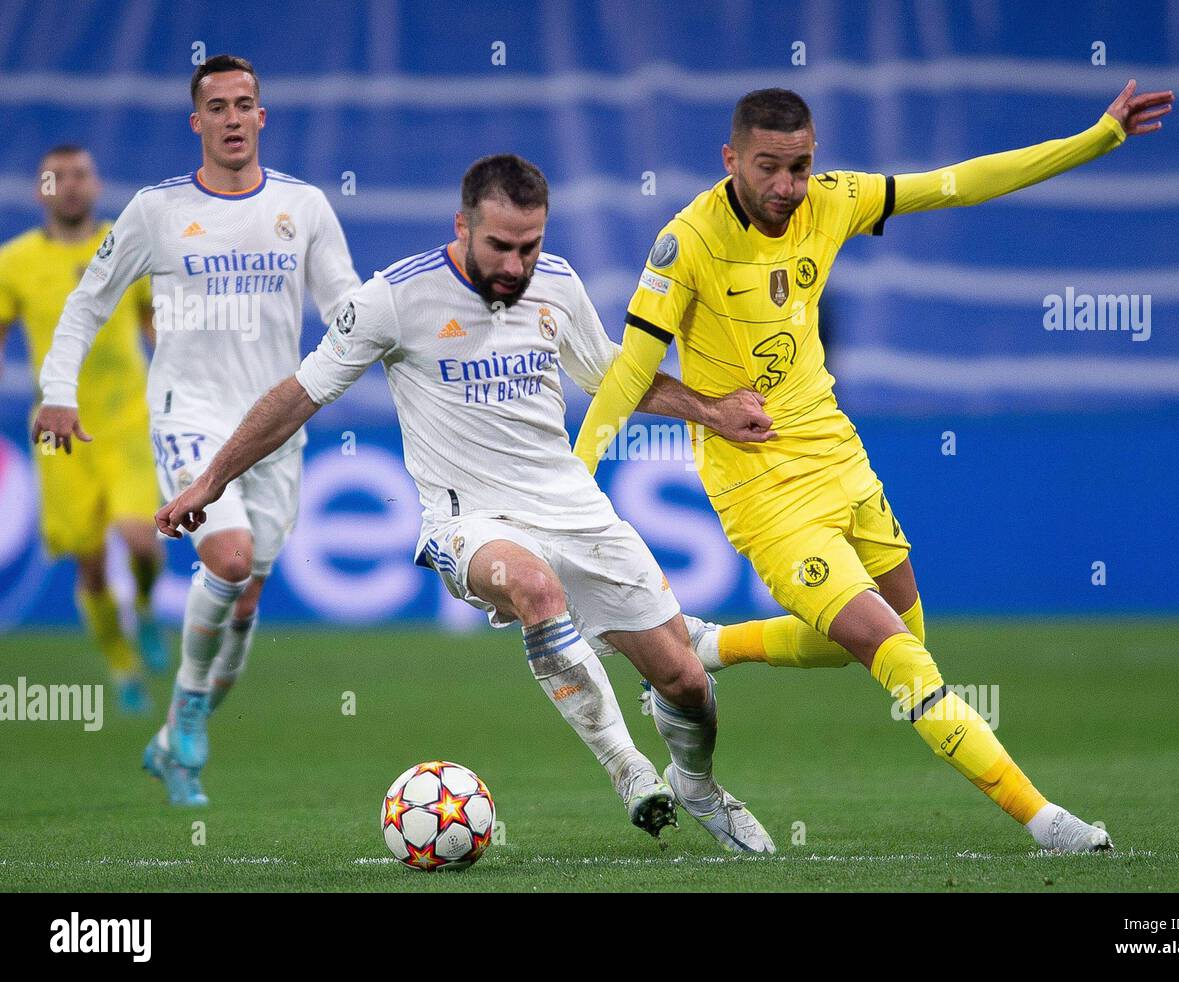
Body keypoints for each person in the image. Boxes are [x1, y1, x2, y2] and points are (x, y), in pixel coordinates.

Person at [574, 82, 1175, 853]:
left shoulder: (834, 200)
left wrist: (1099, 138)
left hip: (842, 458)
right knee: (900, 658)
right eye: (769, 168)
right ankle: (1045, 820)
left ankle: (712, 644)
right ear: (730, 160)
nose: (788, 187)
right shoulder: (687, 241)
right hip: (763, 490)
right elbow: (627, 371)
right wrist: (580, 472)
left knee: (895, 631)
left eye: (800, 166)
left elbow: (960, 183)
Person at [155, 154, 776, 853]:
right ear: (463, 225)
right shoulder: (394, 298)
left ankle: (697, 786)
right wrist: (211, 480)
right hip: (468, 520)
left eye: (530, 246)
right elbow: (300, 394)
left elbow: (613, 373)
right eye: (501, 246)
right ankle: (629, 769)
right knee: (534, 588)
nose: (516, 264)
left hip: (574, 507)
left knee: (687, 684)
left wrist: (711, 410)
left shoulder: (560, 286)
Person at [32, 55, 362, 806]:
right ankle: (184, 711)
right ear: (197, 122)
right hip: (191, 412)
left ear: (262, 116)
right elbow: (88, 303)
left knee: (243, 606)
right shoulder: (155, 211)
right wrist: (57, 391)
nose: (234, 118)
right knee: (231, 557)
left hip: (276, 424)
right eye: (218, 107)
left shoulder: (305, 207)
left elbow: (347, 308)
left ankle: (172, 743)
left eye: (246, 104)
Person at [0, 144, 168, 714]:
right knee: (91, 563)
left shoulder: (125, 246)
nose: (69, 186)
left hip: (127, 419)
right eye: (56, 177)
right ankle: (121, 665)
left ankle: (143, 605)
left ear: (96, 186)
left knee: (140, 538)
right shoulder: (14, 262)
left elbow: (157, 329)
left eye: (80, 175)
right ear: (40, 191)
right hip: (60, 431)